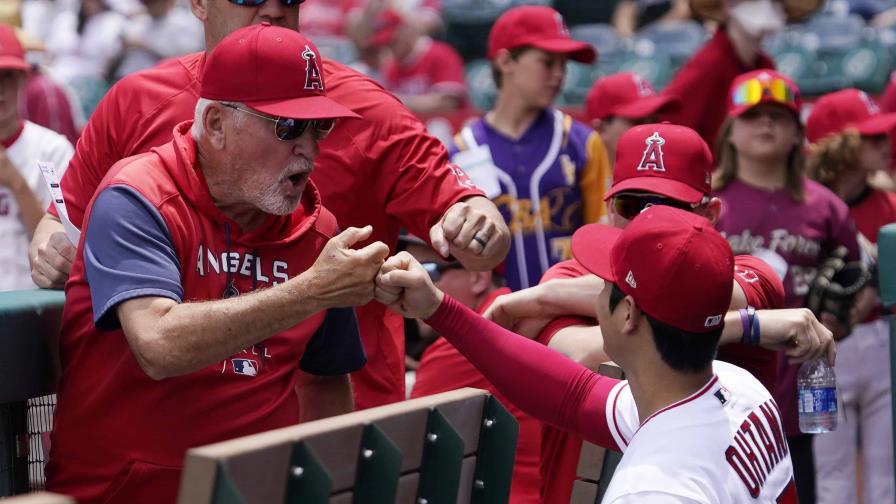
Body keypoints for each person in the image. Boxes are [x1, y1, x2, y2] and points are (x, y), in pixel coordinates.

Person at [28, 0, 511, 411]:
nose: (273, 8)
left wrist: (479, 221)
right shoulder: (138, 103)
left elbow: (476, 232)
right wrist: (51, 250)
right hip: (160, 416)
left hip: (335, 411)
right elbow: (60, 223)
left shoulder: (367, 110)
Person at [47, 26, 381, 503]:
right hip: (126, 494)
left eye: (319, 127)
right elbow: (159, 345)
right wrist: (312, 291)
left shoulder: (316, 228)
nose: (309, 148)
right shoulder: (139, 196)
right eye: (288, 127)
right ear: (218, 124)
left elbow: (326, 380)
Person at [483, 122, 834, 503]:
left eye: (667, 207)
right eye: (631, 205)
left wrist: (547, 299)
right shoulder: (568, 274)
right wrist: (746, 327)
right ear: (609, 209)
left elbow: (698, 296)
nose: (647, 223)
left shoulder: (749, 272)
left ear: (711, 213)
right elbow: (576, 359)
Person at [376, 204, 800, 503]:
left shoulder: (653, 490)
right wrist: (437, 307)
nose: (595, 295)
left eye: (605, 285)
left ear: (628, 314)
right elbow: (569, 394)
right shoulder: (736, 388)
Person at [712, 68, 861, 504]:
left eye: (779, 116)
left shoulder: (824, 206)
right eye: (753, 114)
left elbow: (856, 279)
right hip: (720, 382)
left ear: (798, 132)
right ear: (730, 131)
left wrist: (842, 318)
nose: (767, 125)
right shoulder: (708, 204)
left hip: (798, 390)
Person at [448, 5, 610, 292]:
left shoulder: (582, 142)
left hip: (568, 321)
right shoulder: (461, 150)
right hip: (494, 322)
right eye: (548, 62)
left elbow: (604, 241)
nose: (560, 75)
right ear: (506, 61)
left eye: (564, 64)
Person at [804, 88, 896, 504]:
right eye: (872, 137)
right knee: (830, 472)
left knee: (887, 473)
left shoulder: (890, 205)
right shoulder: (804, 208)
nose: (885, 143)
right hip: (816, 352)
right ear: (839, 145)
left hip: (881, 343)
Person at [403, 235, 541, 503]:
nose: (407, 285)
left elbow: (404, 455)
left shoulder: (459, 348)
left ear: (478, 278)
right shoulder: (523, 319)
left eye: (427, 271)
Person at [661, 0, 821, 146]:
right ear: (727, 5)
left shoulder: (764, 64)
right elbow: (667, 127)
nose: (766, 6)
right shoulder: (709, 64)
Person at [0, 24, 74, 292]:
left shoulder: (52, 148)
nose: (0, 89)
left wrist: (16, 184)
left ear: (22, 79)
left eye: (7, 76)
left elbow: (64, 251)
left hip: (34, 305)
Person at [373, 9, 467, 114]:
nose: (389, 48)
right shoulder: (390, 67)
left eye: (392, 42)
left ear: (406, 30)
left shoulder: (440, 53)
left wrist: (397, 101)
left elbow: (447, 103)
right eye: (385, 44)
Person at [584, 71, 680, 166]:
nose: (652, 132)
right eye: (638, 122)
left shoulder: (664, 178)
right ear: (601, 129)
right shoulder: (576, 177)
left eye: (654, 121)